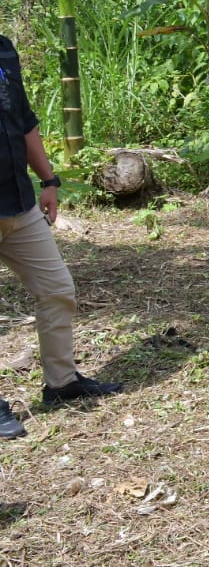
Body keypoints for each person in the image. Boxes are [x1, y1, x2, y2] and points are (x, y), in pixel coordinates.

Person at [0, 35, 123, 440]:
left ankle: (61, 383)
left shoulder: (4, 51)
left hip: (18, 202)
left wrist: (48, 179)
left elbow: (24, 121)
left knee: (56, 289)